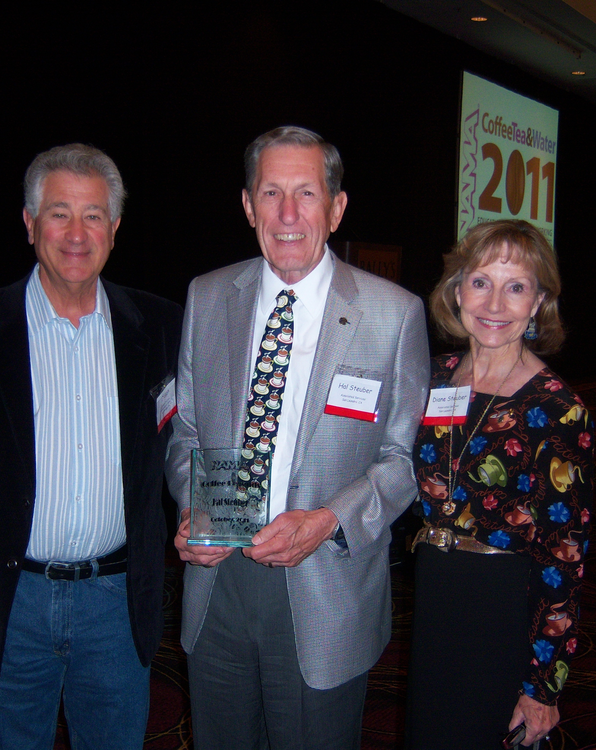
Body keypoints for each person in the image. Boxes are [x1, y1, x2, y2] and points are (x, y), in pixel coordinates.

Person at [165, 126, 430, 749]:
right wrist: (192, 505)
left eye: (306, 194)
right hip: (218, 584)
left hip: (325, 584)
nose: (288, 215)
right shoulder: (207, 297)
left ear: (336, 209)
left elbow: (402, 462)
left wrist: (328, 520)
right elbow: (186, 430)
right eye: (271, 193)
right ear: (247, 204)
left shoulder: (393, 313)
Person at [0, 143, 182, 749]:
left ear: (116, 228)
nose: (77, 233)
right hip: (12, 600)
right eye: (59, 213)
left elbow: (193, 443)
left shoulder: (164, 328)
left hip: (117, 602)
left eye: (94, 215)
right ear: (28, 224)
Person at [405, 219, 594, 749]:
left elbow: (565, 555)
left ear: (538, 304)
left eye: (516, 287)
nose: (495, 303)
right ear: (456, 289)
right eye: (481, 281)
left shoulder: (558, 409)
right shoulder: (431, 377)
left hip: (501, 607)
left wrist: (543, 684)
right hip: (436, 593)